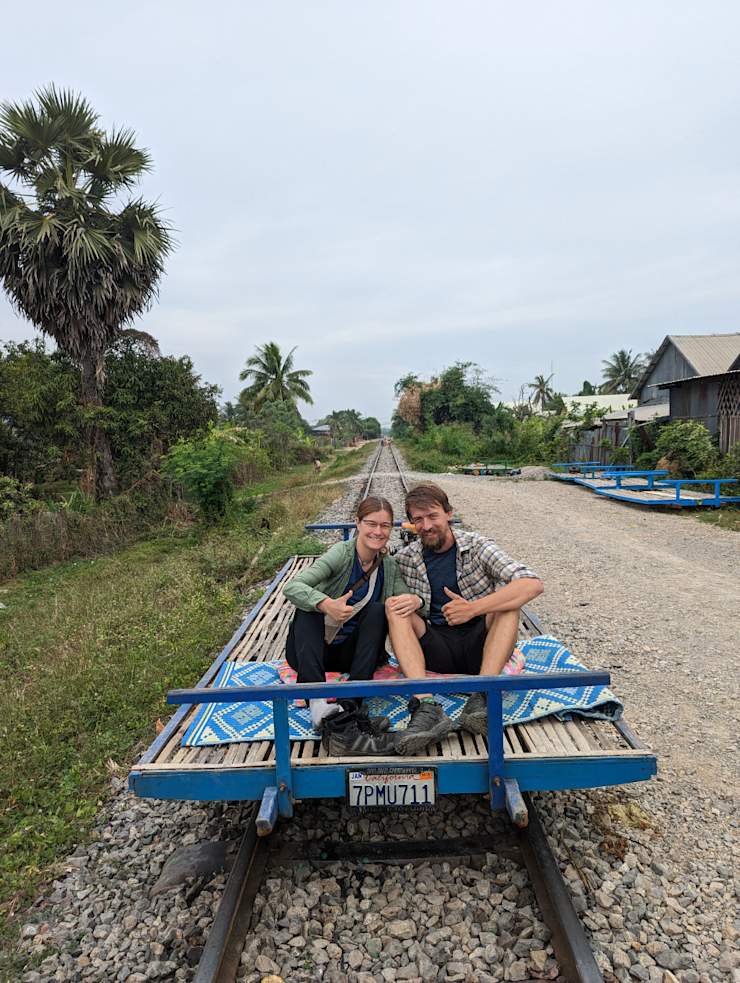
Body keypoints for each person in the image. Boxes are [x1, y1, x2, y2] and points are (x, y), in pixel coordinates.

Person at [386, 483, 544, 755]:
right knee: (395, 606)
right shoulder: (405, 559)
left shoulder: (478, 546)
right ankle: (427, 707)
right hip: (436, 648)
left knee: (509, 602)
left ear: (448, 513)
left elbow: (531, 584)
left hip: (481, 649)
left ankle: (482, 695)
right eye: (418, 520)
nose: (426, 526)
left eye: (432, 516)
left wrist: (473, 609)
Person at [282, 496, 412, 755]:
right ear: (357, 523)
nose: (378, 532)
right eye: (371, 524)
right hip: (312, 653)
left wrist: (415, 599)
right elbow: (292, 587)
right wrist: (325, 604)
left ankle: (349, 706)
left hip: (353, 657)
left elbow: (406, 602)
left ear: (391, 529)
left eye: (385, 526)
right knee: (307, 610)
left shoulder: (388, 565)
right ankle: (317, 702)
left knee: (378, 610)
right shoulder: (341, 554)